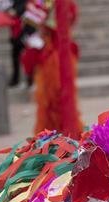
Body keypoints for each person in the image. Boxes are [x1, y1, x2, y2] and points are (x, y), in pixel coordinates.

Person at [22, 0, 82, 135]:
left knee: (60, 100)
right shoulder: (41, 3)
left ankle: (62, 136)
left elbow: (69, 18)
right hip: (49, 56)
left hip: (58, 56)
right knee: (48, 105)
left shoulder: (62, 4)